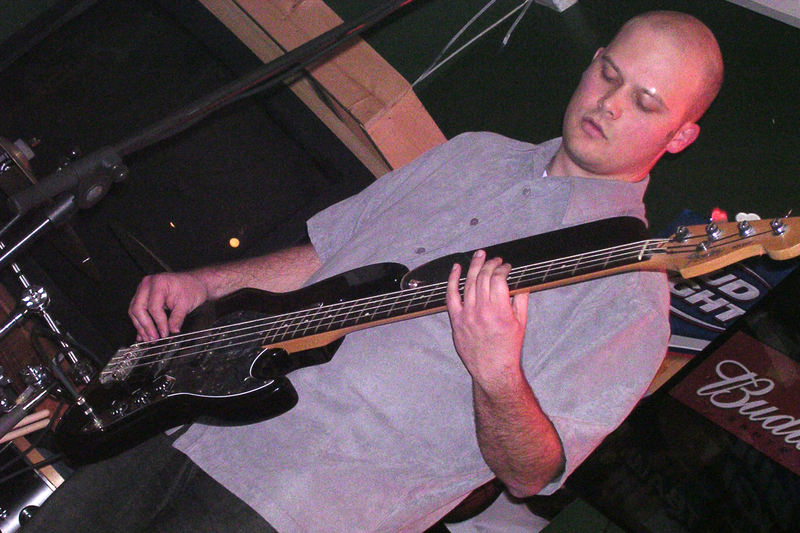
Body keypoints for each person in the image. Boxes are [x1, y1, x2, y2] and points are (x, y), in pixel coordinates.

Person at [22, 10, 723, 533]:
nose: (608, 104)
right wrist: (211, 282)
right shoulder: (475, 153)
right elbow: (331, 255)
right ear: (592, 61)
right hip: (191, 422)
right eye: (609, 74)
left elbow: (531, 474)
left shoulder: (631, 296)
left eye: (645, 102)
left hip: (304, 505)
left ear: (682, 135)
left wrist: (498, 372)